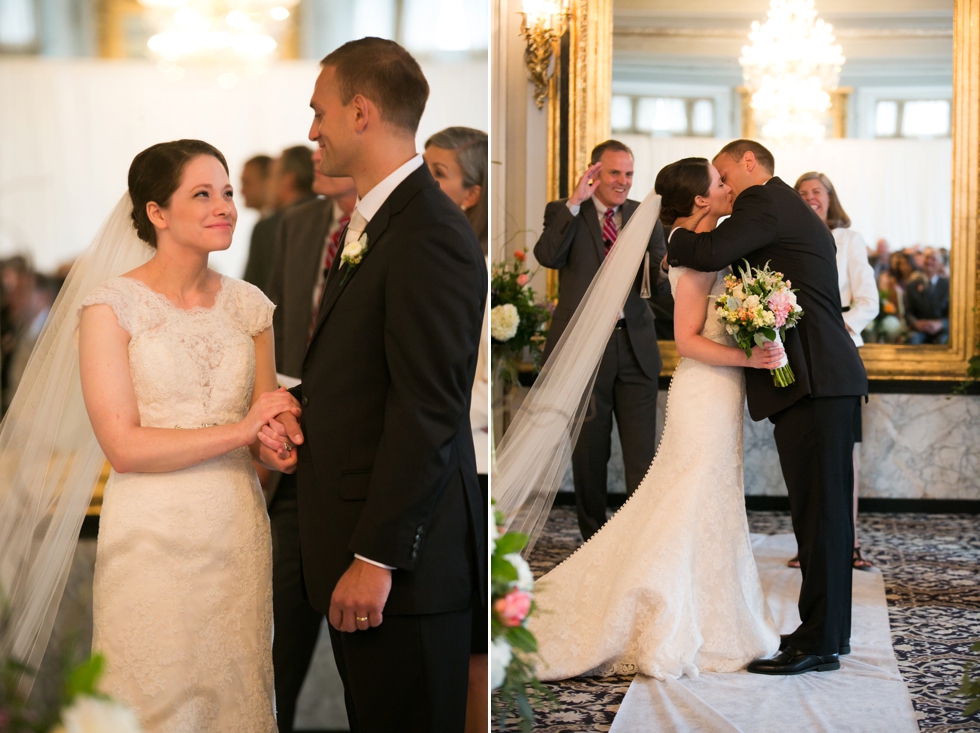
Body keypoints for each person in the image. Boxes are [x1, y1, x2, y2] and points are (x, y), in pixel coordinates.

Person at [0, 139, 305, 731]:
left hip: (237, 526)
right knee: (152, 690)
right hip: (150, 531)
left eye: (227, 193)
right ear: (157, 213)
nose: (224, 207)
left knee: (234, 692)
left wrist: (280, 441)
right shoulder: (111, 307)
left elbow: (270, 431)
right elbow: (125, 446)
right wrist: (241, 429)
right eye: (202, 194)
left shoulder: (250, 306)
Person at [260, 38, 486, 731]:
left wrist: (376, 556)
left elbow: (427, 408)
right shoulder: (385, 221)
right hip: (367, 549)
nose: (310, 131)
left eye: (319, 111)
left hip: (403, 570)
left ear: (360, 112)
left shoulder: (428, 233)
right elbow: (368, 377)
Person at [529, 157, 782, 682]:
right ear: (699, 199)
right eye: (719, 182)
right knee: (684, 493)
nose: (728, 186)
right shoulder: (691, 253)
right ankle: (657, 607)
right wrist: (748, 356)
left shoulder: (712, 246)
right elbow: (689, 338)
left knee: (703, 497)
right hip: (705, 385)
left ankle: (712, 610)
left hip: (714, 386)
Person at [668, 139, 868, 676]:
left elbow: (709, 254)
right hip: (824, 377)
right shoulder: (786, 207)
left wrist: (672, 235)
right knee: (822, 517)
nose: (726, 186)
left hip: (817, 381)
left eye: (728, 174)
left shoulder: (764, 201)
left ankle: (819, 642)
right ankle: (832, 633)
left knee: (820, 517)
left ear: (750, 164)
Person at [264, 147, 357, 733]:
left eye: (327, 138)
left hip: (352, 464)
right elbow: (267, 321)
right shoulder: (293, 225)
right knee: (280, 641)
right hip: (287, 462)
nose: (314, 149)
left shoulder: (388, 228)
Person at [533, 139, 667, 542]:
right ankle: (592, 539)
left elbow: (661, 283)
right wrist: (575, 202)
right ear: (594, 173)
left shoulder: (645, 215)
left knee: (643, 457)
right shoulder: (563, 211)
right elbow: (548, 256)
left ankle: (637, 539)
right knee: (589, 456)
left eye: (628, 174)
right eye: (614, 173)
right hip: (584, 352)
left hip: (635, 348)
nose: (623, 182)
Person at [423, 125, 489, 733]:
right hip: (443, 452)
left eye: (438, 173)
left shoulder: (472, 261)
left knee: (477, 642)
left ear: (471, 193)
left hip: (473, 451)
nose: (424, 181)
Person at [795, 171, 878, 572]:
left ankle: (850, 541)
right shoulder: (789, 239)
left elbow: (869, 300)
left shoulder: (848, 240)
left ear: (830, 199)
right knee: (805, 452)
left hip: (839, 353)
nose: (810, 198)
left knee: (844, 456)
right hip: (800, 356)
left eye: (817, 192)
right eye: (803, 193)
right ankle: (809, 542)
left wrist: (834, 329)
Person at [243, 146, 316, 295]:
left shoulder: (269, 227)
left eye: (271, 176)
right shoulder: (329, 217)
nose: (268, 184)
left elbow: (251, 291)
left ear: (288, 181)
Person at [904, 248, 949, 344]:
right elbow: (908, 312)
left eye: (933, 259)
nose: (929, 261)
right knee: (912, 340)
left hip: (941, 331)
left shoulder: (948, 286)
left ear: (940, 264)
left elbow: (955, 314)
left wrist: (941, 324)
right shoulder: (912, 285)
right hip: (919, 330)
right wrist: (915, 323)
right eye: (927, 258)